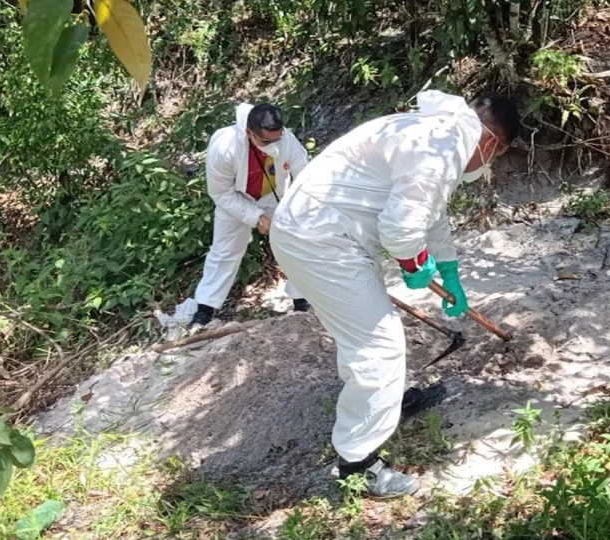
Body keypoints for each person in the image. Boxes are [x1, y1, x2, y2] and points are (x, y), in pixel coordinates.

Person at [270, 90, 519, 498]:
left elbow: (430, 211)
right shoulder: (444, 144)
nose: (487, 164)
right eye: (496, 156)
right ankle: (358, 465)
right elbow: (402, 229)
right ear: (492, 143)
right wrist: (413, 262)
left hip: (314, 232)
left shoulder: (437, 132)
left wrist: (449, 268)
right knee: (379, 345)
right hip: (321, 239)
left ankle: (380, 403)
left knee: (363, 336)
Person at [190, 103, 311, 327]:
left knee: (296, 243)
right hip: (236, 199)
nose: (274, 145)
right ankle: (204, 311)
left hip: (274, 196)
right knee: (224, 252)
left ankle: (302, 300)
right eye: (266, 142)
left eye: (278, 139)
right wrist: (256, 218)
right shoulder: (225, 146)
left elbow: (306, 176)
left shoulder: (286, 139)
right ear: (249, 133)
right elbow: (220, 193)